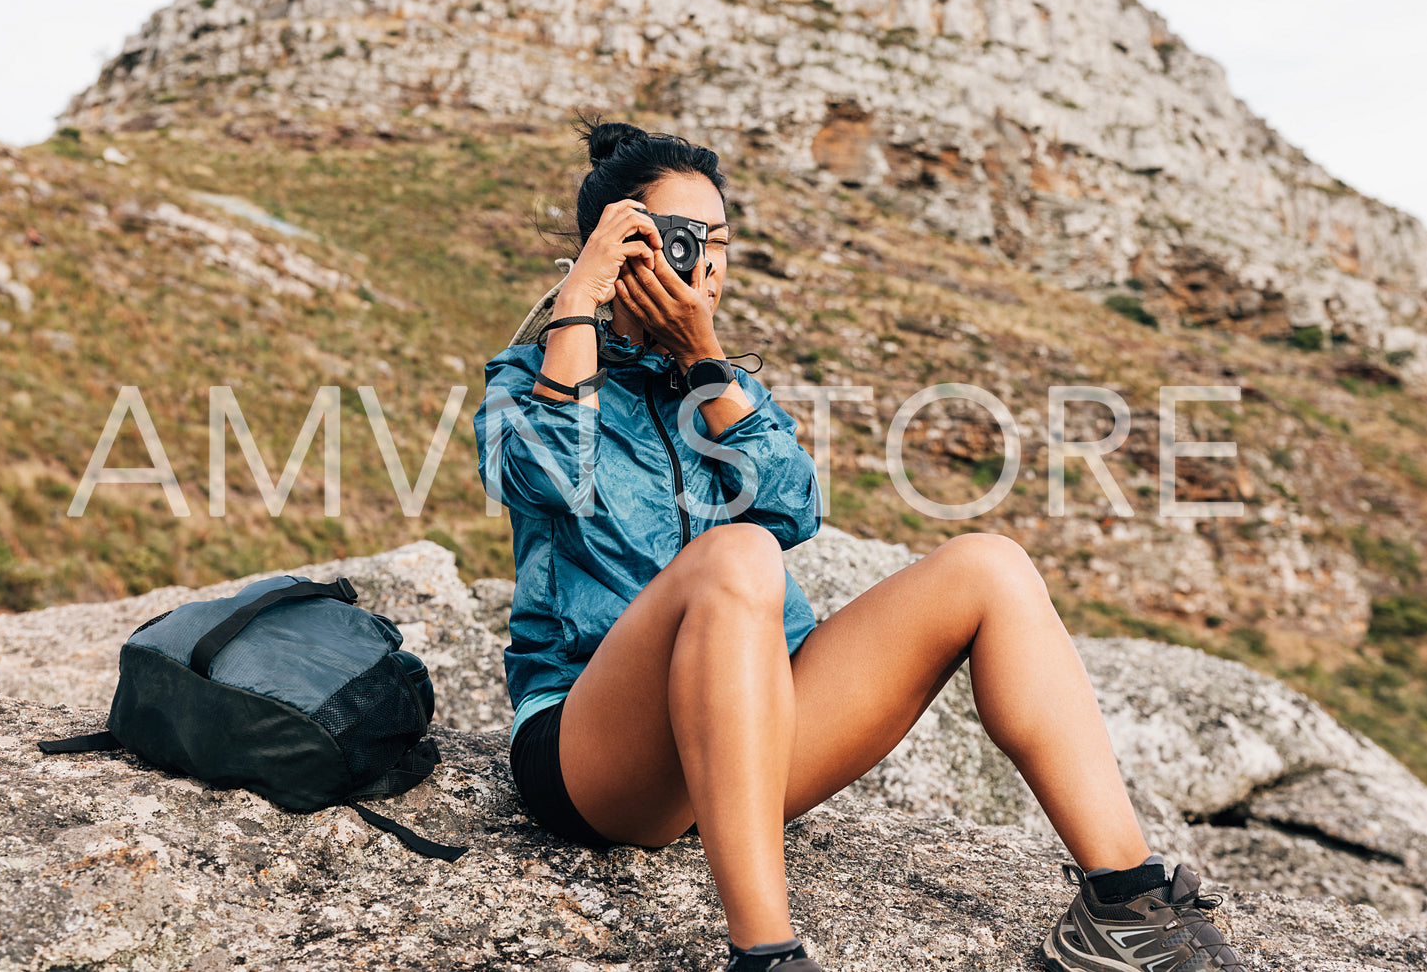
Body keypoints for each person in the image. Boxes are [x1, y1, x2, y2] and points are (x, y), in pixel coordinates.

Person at [473, 119, 1248, 972]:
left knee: (989, 565)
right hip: (598, 753)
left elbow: (794, 509)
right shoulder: (530, 374)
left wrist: (705, 362)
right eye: (679, 241)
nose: (711, 264)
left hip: (754, 739)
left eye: (720, 242)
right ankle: (766, 956)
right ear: (613, 248)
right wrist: (577, 304)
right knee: (736, 558)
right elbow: (544, 480)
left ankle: (1124, 902)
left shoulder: (722, 384)